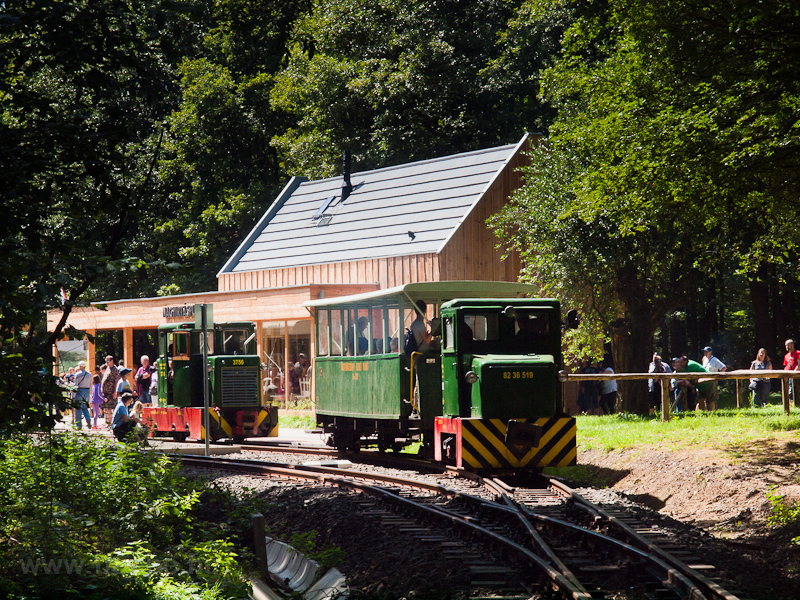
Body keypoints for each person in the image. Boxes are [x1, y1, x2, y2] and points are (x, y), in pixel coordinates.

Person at [700, 346, 726, 411]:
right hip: (705, 381)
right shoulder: (704, 360)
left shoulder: (714, 360)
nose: (705, 353)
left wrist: (717, 376)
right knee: (704, 397)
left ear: (710, 352)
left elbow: (723, 367)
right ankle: (706, 411)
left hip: (712, 381)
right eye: (704, 352)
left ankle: (713, 411)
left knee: (712, 398)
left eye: (706, 352)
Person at [72, 361, 92, 429]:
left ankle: (78, 425)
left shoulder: (77, 374)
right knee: (85, 407)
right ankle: (88, 420)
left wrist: (73, 396)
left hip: (79, 391)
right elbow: (90, 385)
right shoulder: (89, 374)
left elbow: (76, 385)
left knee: (78, 408)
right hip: (87, 391)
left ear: (80, 366)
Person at [101, 355, 120, 426]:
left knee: (111, 408)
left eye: (108, 361)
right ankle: (107, 422)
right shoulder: (108, 368)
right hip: (106, 392)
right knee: (106, 408)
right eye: (106, 361)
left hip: (111, 392)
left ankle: (112, 423)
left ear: (112, 361)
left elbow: (116, 381)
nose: (106, 363)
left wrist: (115, 392)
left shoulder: (115, 369)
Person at [783, 339, 800, 404]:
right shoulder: (786, 356)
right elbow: (785, 366)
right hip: (788, 375)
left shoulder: (797, 353)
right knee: (789, 389)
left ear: (792, 345)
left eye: (788, 345)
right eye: (786, 345)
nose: (787, 347)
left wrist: (794, 373)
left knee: (796, 388)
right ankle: (790, 402)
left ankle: (797, 403)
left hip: (796, 374)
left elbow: (799, 364)